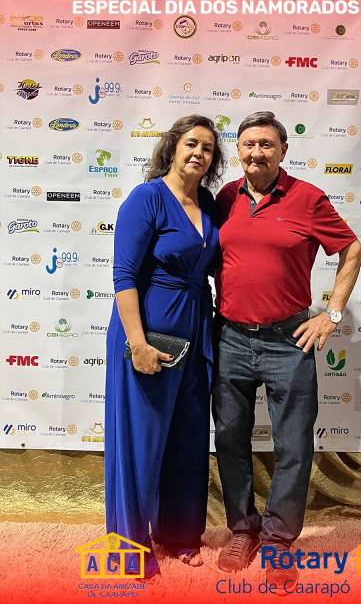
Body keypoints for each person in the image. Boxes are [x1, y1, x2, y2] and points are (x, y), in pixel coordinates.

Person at [213, 111, 361, 590]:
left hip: (288, 339)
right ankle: (243, 531)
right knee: (230, 437)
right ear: (238, 150)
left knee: (293, 444)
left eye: (266, 144)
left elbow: (353, 250)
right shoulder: (224, 198)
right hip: (230, 337)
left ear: (283, 150)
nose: (256, 152)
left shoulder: (308, 198)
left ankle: (278, 540)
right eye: (248, 144)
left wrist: (331, 314)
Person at [105, 115, 224, 579]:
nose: (199, 153)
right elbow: (124, 276)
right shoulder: (147, 198)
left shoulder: (208, 203)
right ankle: (128, 549)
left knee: (188, 437)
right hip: (148, 334)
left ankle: (180, 535)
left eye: (208, 148)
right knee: (141, 442)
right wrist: (137, 343)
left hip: (196, 331)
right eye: (191, 143)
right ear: (172, 147)